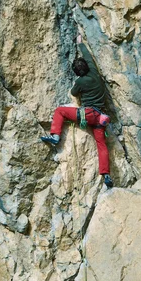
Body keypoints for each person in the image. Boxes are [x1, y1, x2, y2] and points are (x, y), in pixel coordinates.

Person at [41, 42, 114, 188]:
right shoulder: (94, 72)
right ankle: (106, 174)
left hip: (88, 115)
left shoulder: (81, 81)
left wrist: (78, 86)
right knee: (101, 145)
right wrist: (80, 43)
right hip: (101, 118)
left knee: (60, 111)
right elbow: (88, 57)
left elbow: (74, 93)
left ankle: (55, 136)